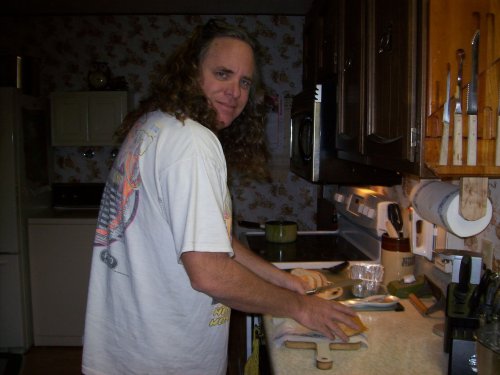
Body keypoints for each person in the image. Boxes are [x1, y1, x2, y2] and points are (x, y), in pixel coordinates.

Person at [82, 19, 360, 375]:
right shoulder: (192, 142)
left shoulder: (152, 125)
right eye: (223, 74)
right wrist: (299, 306)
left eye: (244, 82)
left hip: (127, 347)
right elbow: (210, 274)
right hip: (164, 358)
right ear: (190, 73)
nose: (235, 92)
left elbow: (215, 240)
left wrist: (281, 279)